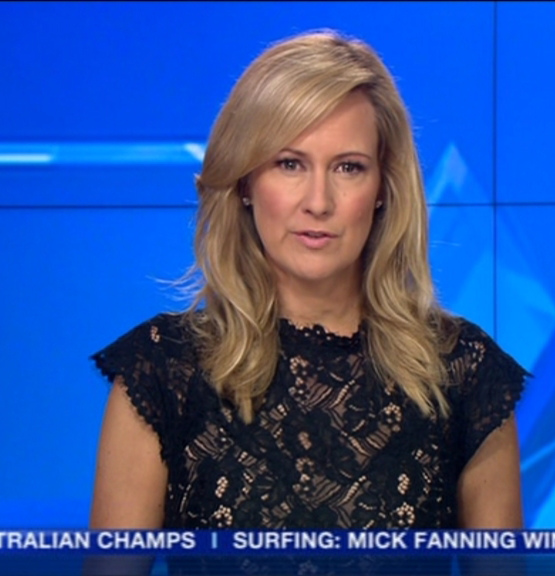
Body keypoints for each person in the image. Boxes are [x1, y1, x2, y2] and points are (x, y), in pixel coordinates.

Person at [87, 29, 529, 574]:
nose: (319, 202)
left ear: (384, 187)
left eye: (348, 167)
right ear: (245, 182)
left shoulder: (463, 373)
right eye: (290, 164)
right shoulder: (163, 371)